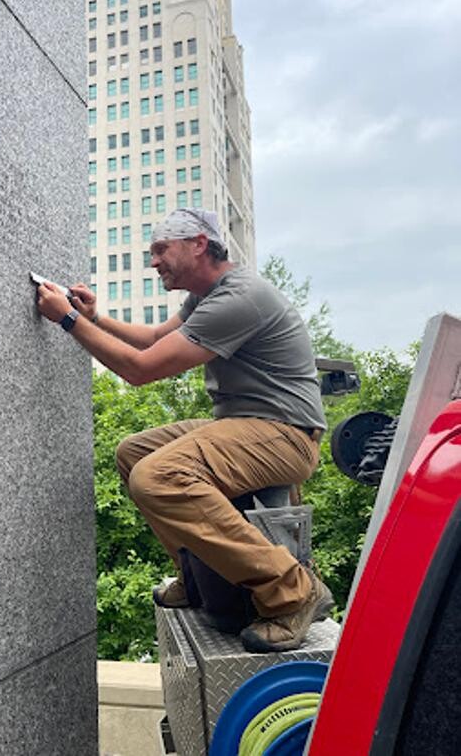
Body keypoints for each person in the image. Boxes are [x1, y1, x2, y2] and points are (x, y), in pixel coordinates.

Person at [36, 208, 333, 652]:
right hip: (244, 424)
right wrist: (94, 318)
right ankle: (195, 576)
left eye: (161, 249)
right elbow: (155, 338)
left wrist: (68, 321)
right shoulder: (207, 296)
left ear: (198, 244)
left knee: (157, 477)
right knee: (134, 453)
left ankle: (292, 589)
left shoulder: (239, 298)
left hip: (286, 435)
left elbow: (140, 369)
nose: (153, 261)